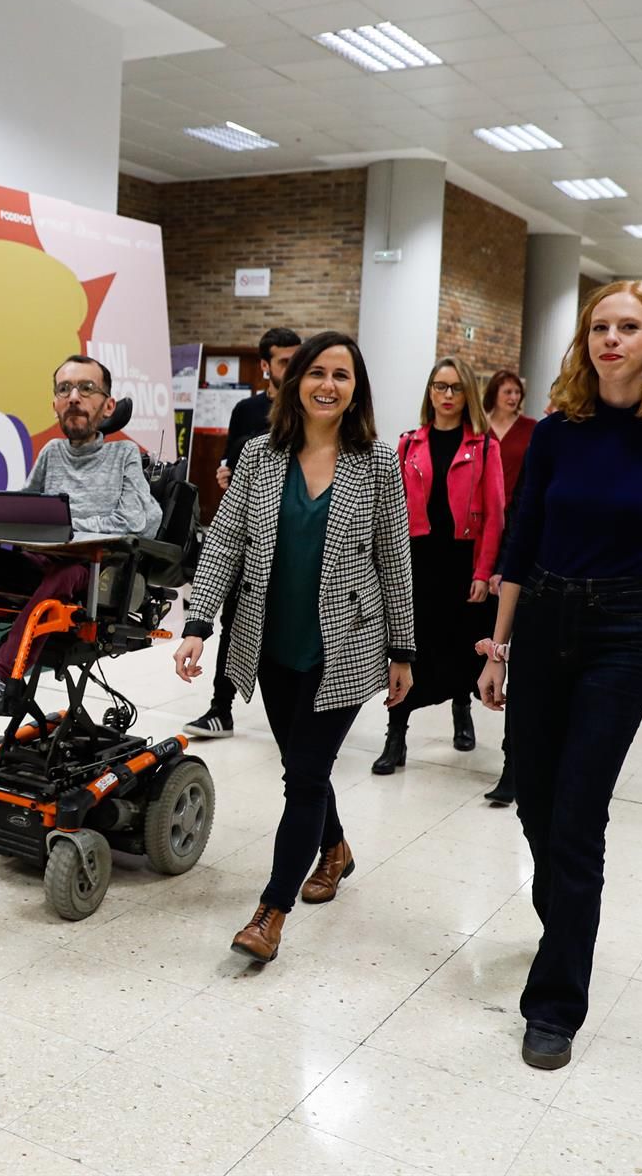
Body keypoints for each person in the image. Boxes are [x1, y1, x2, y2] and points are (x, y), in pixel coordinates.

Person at [475, 280, 642, 1072]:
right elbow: (522, 538)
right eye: (599, 327)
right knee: (536, 804)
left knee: (578, 817)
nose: (611, 338)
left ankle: (555, 1003)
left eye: (628, 327)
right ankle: (566, 917)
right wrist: (498, 645)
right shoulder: (557, 432)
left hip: (620, 630)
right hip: (542, 621)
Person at [171, 332, 415, 964]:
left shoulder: (378, 463)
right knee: (303, 768)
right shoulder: (258, 456)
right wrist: (198, 623)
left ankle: (270, 912)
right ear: (294, 380)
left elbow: (395, 559)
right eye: (317, 373)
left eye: (342, 374)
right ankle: (335, 849)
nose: (328, 385)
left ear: (356, 388)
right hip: (269, 642)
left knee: (304, 777)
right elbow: (224, 542)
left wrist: (403, 650)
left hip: (347, 649)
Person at [0, 355, 160, 701]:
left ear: (108, 405)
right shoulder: (52, 452)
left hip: (90, 574)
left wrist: (66, 525)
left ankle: (2, 675)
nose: (74, 397)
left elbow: (143, 520)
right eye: (64, 389)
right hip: (40, 564)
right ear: (55, 405)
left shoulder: (123, 454)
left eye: (86, 388)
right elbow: (23, 506)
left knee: (64, 573)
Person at [373, 356, 504, 775]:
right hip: (417, 559)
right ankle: (396, 734)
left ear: (468, 394)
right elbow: (391, 510)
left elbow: (496, 515)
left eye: (455, 388)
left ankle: (462, 709)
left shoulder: (484, 445)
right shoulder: (409, 443)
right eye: (439, 387)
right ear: (429, 392)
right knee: (410, 647)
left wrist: (483, 572)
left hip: (463, 562)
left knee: (463, 643)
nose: (447, 395)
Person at [184, 326, 302, 739]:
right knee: (235, 619)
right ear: (266, 366)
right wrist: (225, 473)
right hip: (248, 534)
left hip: (294, 537)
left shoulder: (311, 414)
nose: (294, 368)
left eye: (297, 359)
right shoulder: (246, 412)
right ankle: (221, 708)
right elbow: (232, 466)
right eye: (285, 361)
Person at [478, 368, 537, 805]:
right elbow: (517, 518)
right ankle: (512, 767)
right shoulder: (482, 431)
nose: (514, 397)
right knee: (522, 678)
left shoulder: (536, 433)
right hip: (515, 549)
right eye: (508, 391)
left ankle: (532, 766)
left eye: (519, 392)